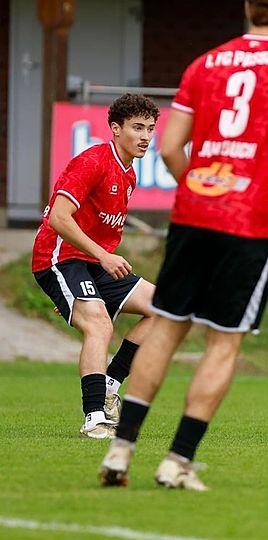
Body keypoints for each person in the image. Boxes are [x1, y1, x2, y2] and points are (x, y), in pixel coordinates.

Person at [99, 0, 268, 491]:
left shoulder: (205, 62)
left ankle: (121, 450)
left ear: (247, 7)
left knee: (165, 329)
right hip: (250, 222)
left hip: (194, 214)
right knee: (224, 342)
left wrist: (200, 191)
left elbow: (169, 147)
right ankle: (177, 460)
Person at [32, 93, 160, 439]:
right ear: (115, 128)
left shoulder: (128, 174)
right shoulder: (92, 162)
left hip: (90, 265)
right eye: (137, 127)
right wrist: (99, 258)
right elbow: (59, 218)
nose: (145, 136)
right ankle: (94, 419)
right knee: (100, 326)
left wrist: (77, 289)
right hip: (60, 258)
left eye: (150, 128)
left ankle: (110, 385)